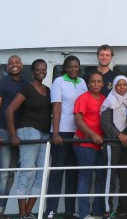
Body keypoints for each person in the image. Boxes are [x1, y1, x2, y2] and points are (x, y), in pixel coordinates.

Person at [6, 59, 53, 219]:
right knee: (28, 170)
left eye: (44, 69)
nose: (42, 71)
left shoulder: (47, 90)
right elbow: (9, 111)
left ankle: (27, 210)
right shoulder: (27, 88)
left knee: (42, 172)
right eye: (38, 69)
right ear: (32, 72)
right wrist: (13, 135)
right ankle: (21, 213)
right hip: (28, 131)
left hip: (44, 134)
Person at [45, 56, 87, 219]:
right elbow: (56, 108)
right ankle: (51, 209)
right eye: (70, 66)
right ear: (65, 67)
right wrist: (55, 132)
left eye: (76, 66)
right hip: (61, 131)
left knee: (72, 172)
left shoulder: (82, 83)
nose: (73, 69)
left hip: (77, 132)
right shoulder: (59, 81)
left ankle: (70, 210)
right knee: (57, 171)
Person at [0, 56, 25, 218]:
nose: (14, 65)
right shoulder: (1, 84)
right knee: (2, 172)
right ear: (7, 66)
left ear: (22, 65)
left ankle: (1, 209)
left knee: (10, 173)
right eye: (11, 63)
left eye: (17, 62)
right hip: (3, 131)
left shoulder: (26, 84)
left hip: (20, 133)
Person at [101, 75, 127, 219]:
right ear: (114, 87)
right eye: (119, 85)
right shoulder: (109, 101)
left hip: (126, 146)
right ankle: (107, 210)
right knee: (110, 178)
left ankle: (123, 210)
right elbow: (105, 124)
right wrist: (119, 135)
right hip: (112, 144)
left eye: (124, 84)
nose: (122, 87)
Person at [74, 73, 107, 219]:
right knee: (85, 178)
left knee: (101, 177)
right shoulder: (83, 98)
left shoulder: (104, 99)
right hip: (85, 143)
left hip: (100, 144)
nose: (96, 84)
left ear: (102, 84)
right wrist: (93, 135)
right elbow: (78, 120)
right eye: (93, 81)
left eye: (99, 81)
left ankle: (98, 212)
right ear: (88, 83)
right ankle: (84, 213)